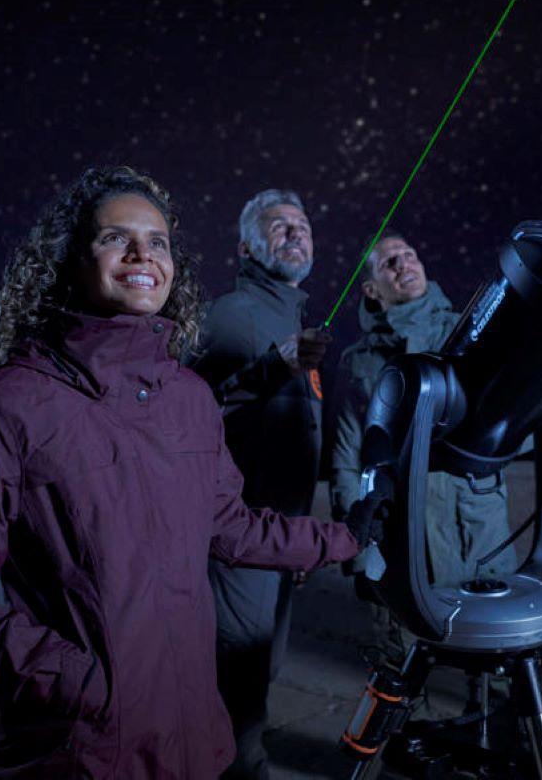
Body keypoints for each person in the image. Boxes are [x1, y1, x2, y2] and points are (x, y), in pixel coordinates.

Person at [0, 167, 378, 777]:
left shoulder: (188, 399)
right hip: (80, 750)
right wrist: (82, 684)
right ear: (70, 260)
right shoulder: (7, 405)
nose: (141, 254)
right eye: (114, 238)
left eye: (158, 242)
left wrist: (346, 535)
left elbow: (229, 526)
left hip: (195, 739)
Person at [188, 188, 332, 779]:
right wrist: (274, 365)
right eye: (279, 225)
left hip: (278, 536)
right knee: (239, 676)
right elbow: (191, 414)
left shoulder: (290, 319)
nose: (296, 232)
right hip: (239, 536)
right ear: (246, 245)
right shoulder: (231, 313)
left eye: (302, 224)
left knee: (262, 668)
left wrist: (298, 532)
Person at [330, 231, 518, 663]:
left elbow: (512, 424)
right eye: (389, 263)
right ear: (372, 290)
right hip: (399, 531)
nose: (403, 265)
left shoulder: (473, 332)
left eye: (409, 255)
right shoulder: (359, 361)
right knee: (401, 669)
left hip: (474, 529)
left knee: (490, 662)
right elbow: (347, 453)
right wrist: (355, 546)